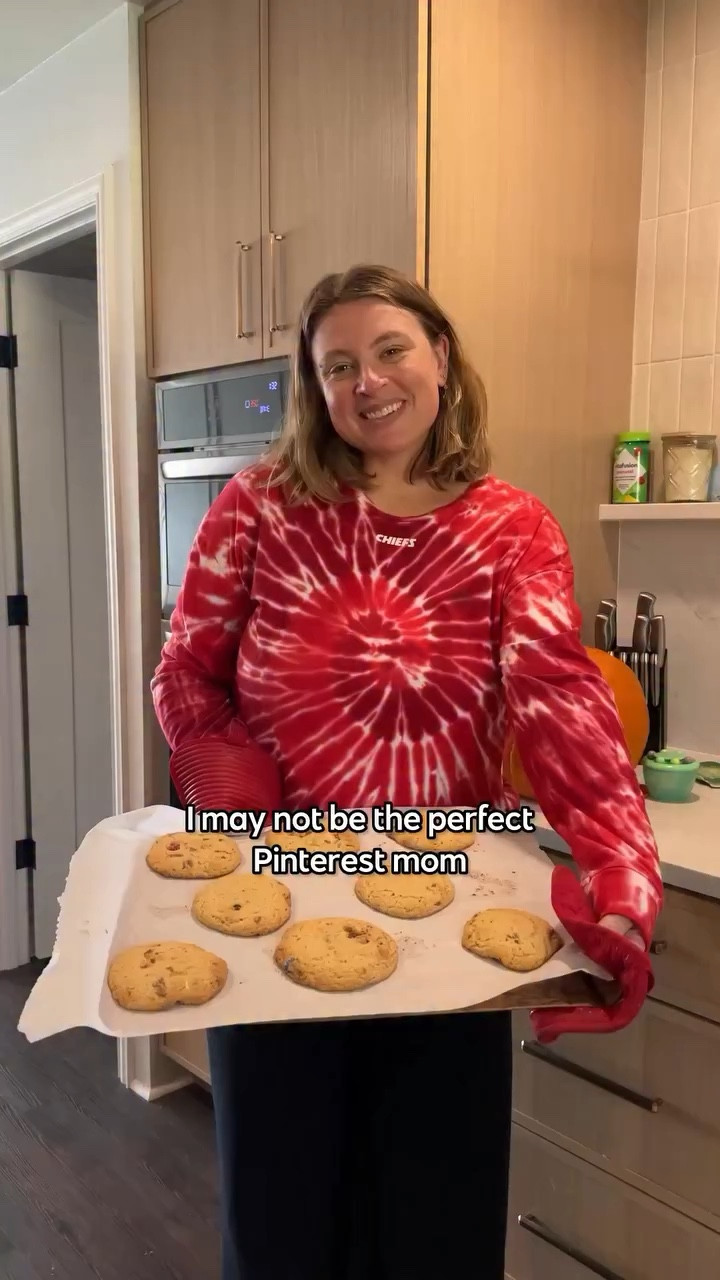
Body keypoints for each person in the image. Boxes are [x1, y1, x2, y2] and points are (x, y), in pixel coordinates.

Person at [151, 264, 661, 1280]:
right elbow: (187, 674)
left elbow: (561, 703)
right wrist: (236, 775)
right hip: (279, 907)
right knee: (281, 1224)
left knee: (435, 1225)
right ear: (315, 388)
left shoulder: (511, 528)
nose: (366, 380)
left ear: (439, 357)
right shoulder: (259, 506)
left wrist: (623, 876)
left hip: (444, 925)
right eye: (336, 365)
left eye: (388, 349)